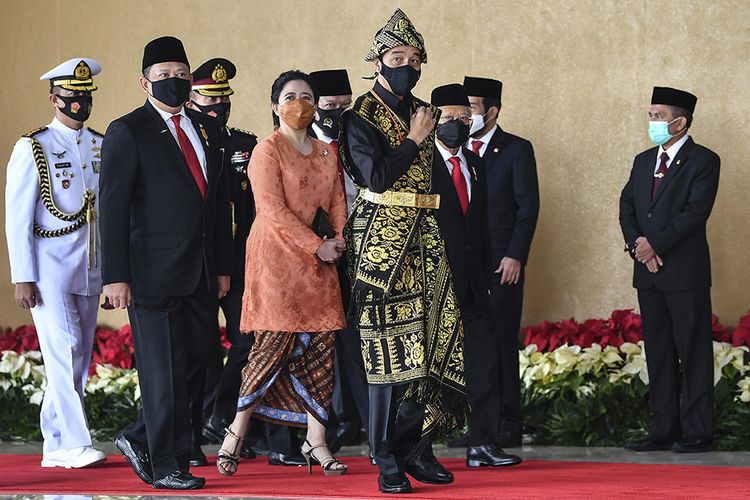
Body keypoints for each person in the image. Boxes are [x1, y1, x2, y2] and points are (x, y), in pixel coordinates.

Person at [338, 9, 466, 494]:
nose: (407, 66)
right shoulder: (359, 117)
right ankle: (385, 454)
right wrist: (414, 139)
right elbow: (375, 177)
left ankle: (417, 445)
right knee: (388, 354)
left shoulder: (424, 110)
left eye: (415, 59)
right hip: (382, 243)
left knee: (432, 344)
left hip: (426, 239)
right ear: (376, 62)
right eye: (397, 57)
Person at [99, 36, 233, 490]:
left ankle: (152, 442)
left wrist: (220, 267)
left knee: (199, 366)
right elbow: (112, 207)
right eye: (164, 76)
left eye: (180, 75)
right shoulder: (128, 130)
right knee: (165, 372)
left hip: (199, 270)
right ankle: (165, 465)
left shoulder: (204, 128)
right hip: (150, 275)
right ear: (144, 82)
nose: (173, 83)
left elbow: (213, 206)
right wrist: (114, 276)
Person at [215, 70, 348, 478]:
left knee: (322, 351)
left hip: (320, 264)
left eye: (307, 96)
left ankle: (316, 440)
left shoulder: (327, 153)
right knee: (269, 348)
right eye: (290, 96)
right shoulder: (266, 150)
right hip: (275, 260)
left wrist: (339, 238)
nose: (300, 103)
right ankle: (234, 435)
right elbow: (271, 210)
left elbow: (338, 202)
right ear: (275, 105)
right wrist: (317, 244)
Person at [191, 58, 307, 469]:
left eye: (225, 98)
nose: (218, 105)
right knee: (201, 350)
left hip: (246, 261)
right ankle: (200, 428)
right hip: (199, 263)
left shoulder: (245, 143)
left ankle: (224, 417)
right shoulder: (184, 141)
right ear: (191, 96)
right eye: (210, 96)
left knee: (250, 343)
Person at [5, 57, 106, 469]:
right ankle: (76, 442)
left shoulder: (101, 144)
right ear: (54, 98)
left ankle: (56, 443)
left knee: (78, 356)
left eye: (84, 96)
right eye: (71, 97)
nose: (79, 103)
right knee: (63, 351)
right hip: (48, 267)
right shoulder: (34, 146)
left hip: (90, 265)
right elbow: (17, 216)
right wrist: (23, 276)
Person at [416, 83, 522, 471]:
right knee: (427, 370)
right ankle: (419, 449)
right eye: (448, 119)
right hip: (433, 285)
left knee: (484, 362)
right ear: (431, 120)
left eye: (464, 118)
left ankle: (483, 444)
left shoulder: (474, 163)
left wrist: (487, 275)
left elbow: (480, 225)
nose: (457, 125)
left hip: (475, 284)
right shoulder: (419, 165)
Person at [620, 86, 720, 453]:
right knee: (658, 351)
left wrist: (655, 245)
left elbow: (694, 213)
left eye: (658, 116)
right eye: (651, 115)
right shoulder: (643, 160)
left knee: (692, 350)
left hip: (684, 273)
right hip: (648, 273)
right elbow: (627, 205)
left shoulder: (704, 161)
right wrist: (638, 246)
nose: (653, 122)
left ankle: (698, 432)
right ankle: (664, 428)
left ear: (680, 121)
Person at [462, 76, 540, 448]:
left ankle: (508, 421)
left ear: (491, 111)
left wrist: (515, 254)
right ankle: (476, 426)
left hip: (501, 263)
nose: (465, 115)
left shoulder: (516, 149)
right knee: (470, 348)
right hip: (466, 266)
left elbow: (528, 207)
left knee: (502, 344)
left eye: (472, 108)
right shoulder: (455, 150)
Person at [309, 68, 369, 453]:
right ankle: (320, 427)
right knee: (317, 343)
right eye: (330, 107)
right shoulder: (300, 146)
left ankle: (363, 422)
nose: (337, 115)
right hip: (314, 254)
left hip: (358, 253)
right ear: (314, 108)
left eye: (345, 107)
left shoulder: (358, 141)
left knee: (355, 341)